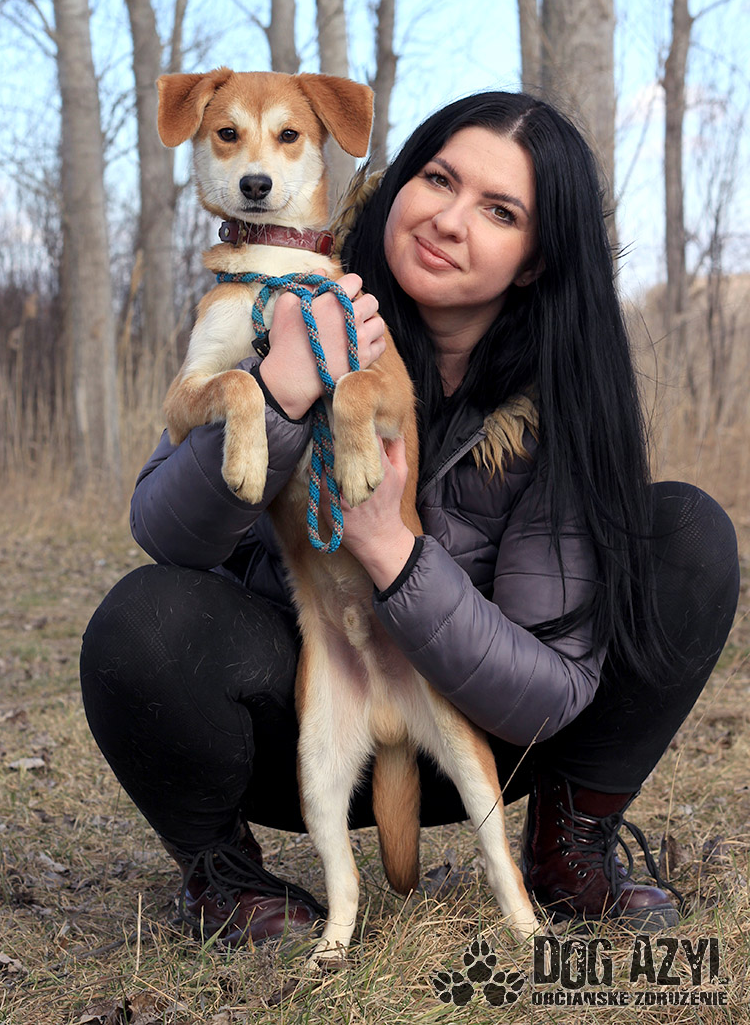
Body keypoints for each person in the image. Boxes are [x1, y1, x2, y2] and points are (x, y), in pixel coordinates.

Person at [80, 92, 740, 946]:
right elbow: (166, 530)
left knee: (687, 534)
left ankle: (567, 848)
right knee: (141, 620)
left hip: (479, 735)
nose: (449, 220)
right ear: (399, 185)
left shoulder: (558, 401)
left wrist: (391, 549)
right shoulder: (290, 290)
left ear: (534, 260)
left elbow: (548, 694)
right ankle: (225, 876)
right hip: (304, 713)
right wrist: (282, 391)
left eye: (500, 211)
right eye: (438, 178)